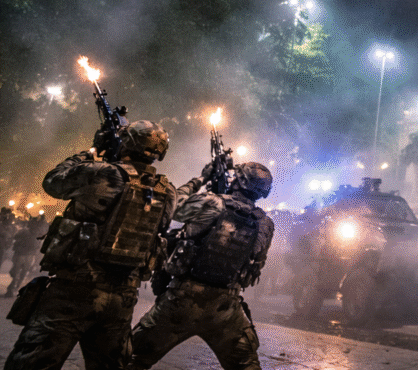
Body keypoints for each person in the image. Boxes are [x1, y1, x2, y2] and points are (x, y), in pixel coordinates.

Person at [4, 121, 175, 370]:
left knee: (31, 363)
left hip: (75, 288)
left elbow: (52, 182)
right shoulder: (167, 190)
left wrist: (91, 151)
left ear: (126, 143)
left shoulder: (101, 172)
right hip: (123, 294)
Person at [129, 161, 274, 370]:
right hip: (227, 306)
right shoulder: (265, 223)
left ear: (238, 181)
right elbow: (255, 263)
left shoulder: (213, 202)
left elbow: (173, 205)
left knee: (132, 358)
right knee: (246, 365)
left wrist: (201, 179)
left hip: (182, 300)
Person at [5, 214, 49, 297]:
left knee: (20, 273)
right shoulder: (26, 232)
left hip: (27, 255)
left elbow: (38, 247)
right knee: (17, 273)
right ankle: (13, 288)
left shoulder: (33, 233)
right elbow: (16, 237)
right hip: (23, 254)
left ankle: (13, 288)